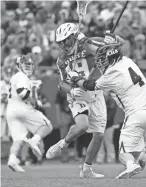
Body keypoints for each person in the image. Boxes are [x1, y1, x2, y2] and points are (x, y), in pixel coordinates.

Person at [69, 32, 146, 179]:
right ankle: (145, 152)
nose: (99, 62)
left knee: (123, 154)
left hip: (137, 114)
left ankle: (131, 165)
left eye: (101, 59)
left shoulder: (110, 74)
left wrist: (75, 78)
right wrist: (112, 38)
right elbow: (118, 45)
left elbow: (89, 85)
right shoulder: (127, 60)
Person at [45, 23, 107, 178]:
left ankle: (86, 170)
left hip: (95, 92)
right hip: (77, 93)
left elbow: (102, 49)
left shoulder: (86, 45)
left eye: (65, 40)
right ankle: (62, 144)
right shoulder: (62, 59)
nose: (63, 44)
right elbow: (62, 84)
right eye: (61, 42)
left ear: (73, 36)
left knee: (99, 134)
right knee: (83, 125)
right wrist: (72, 90)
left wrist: (89, 43)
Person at [6, 53, 53, 172]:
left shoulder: (15, 77)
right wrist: (35, 103)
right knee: (47, 126)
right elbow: (23, 93)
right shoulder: (22, 76)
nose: (29, 66)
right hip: (23, 108)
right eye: (26, 64)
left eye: (30, 64)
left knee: (18, 139)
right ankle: (34, 141)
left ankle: (12, 159)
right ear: (19, 65)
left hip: (11, 110)